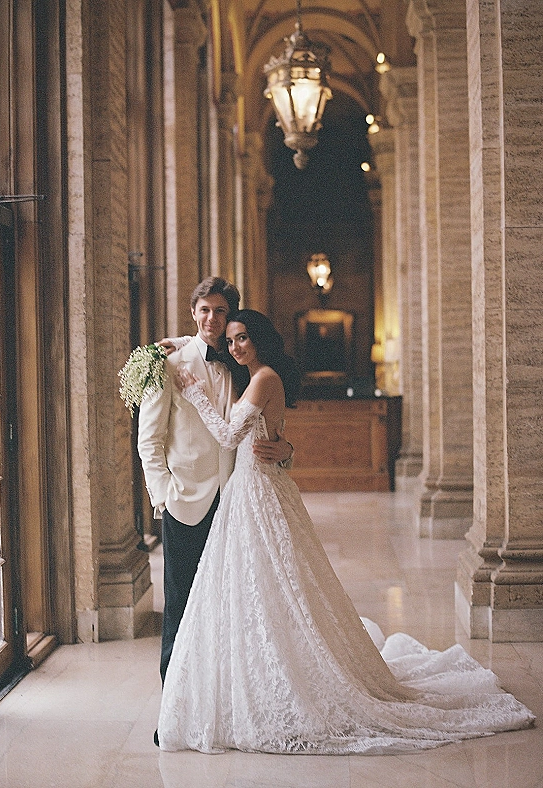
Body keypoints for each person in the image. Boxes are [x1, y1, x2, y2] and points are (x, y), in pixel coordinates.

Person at [156, 309, 534, 755]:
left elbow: (226, 436)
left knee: (271, 583)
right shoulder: (255, 377)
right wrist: (183, 346)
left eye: (243, 339)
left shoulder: (262, 379)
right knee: (258, 585)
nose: (236, 346)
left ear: (258, 340)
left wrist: (197, 395)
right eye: (232, 340)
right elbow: (264, 432)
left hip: (256, 490)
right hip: (252, 487)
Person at [137, 279, 292, 692]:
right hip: (185, 501)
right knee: (181, 604)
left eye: (220, 312)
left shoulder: (243, 362)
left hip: (238, 500)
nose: (211, 319)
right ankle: (175, 698)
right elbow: (148, 440)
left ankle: (223, 692)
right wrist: (164, 497)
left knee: (235, 600)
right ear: (193, 312)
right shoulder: (166, 364)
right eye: (204, 310)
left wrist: (285, 448)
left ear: (232, 319)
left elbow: (264, 425)